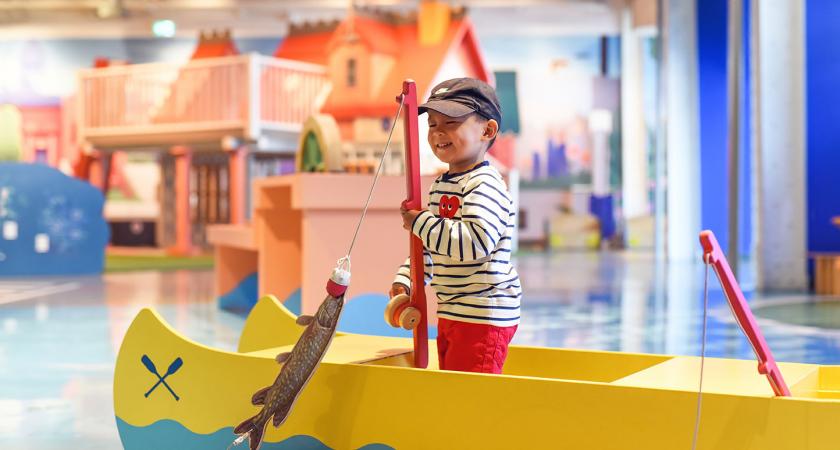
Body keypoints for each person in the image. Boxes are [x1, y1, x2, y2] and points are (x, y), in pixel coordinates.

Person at [391, 77, 521, 374]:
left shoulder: (484, 185)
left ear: (487, 130)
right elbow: (433, 247)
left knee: (470, 396)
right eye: (433, 124)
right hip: (453, 310)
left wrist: (420, 222)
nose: (438, 133)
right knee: (452, 383)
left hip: (482, 313)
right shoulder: (443, 184)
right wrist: (408, 279)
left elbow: (473, 244)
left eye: (451, 122)